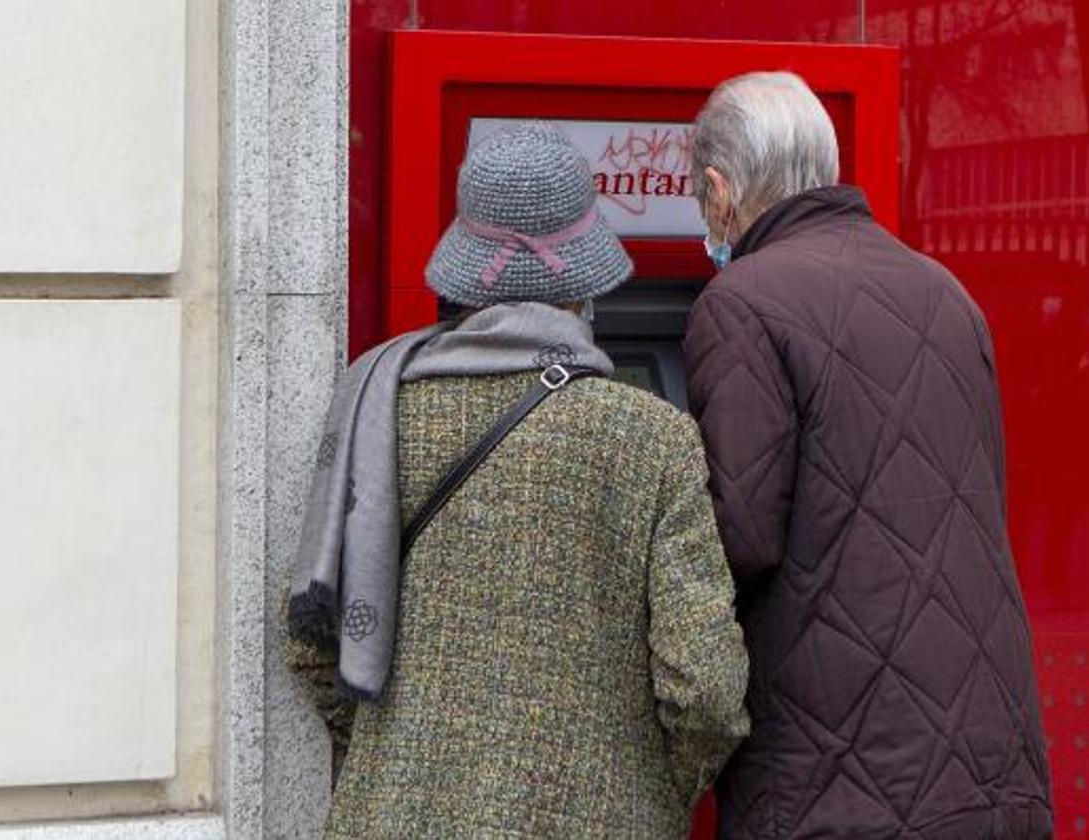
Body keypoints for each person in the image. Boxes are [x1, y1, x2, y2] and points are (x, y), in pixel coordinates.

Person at [285, 121, 749, 839]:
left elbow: (314, 645)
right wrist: (644, 786)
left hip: (396, 815)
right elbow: (707, 690)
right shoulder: (651, 438)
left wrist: (401, 753)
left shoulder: (375, 405)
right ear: (584, 278)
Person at [683, 72, 1053, 839]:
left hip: (837, 767)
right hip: (989, 753)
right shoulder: (943, 289)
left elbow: (742, 535)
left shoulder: (743, 300)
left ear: (720, 191)